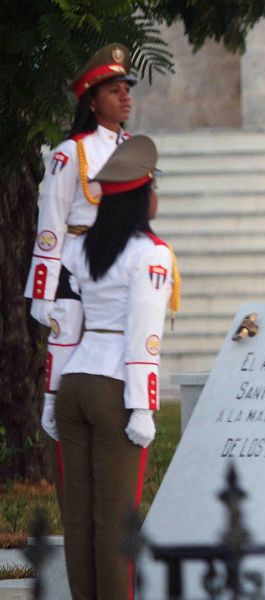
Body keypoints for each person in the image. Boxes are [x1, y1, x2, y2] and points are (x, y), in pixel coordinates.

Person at [50, 135, 176, 599]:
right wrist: (143, 405)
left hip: (75, 382)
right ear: (143, 196)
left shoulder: (78, 250)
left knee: (80, 517)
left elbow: (63, 325)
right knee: (116, 519)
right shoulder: (151, 253)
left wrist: (50, 394)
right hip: (115, 387)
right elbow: (145, 332)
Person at [29, 44, 137, 473]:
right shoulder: (71, 152)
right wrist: (44, 288)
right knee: (68, 343)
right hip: (76, 262)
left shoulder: (136, 147)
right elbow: (51, 222)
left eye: (127, 89)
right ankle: (55, 409)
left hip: (121, 262)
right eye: (114, 91)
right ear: (93, 102)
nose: (125, 97)